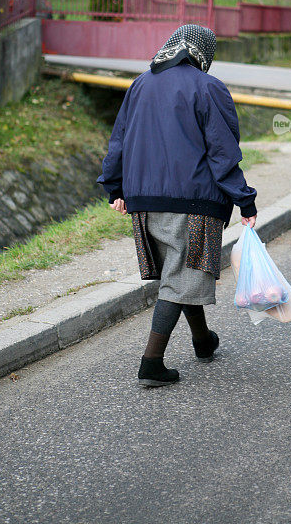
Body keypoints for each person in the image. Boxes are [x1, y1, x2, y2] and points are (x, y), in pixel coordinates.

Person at [97, 24, 257, 387]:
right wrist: (244, 200)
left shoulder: (140, 83)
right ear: (203, 53)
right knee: (183, 275)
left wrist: (115, 187)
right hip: (193, 200)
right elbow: (222, 151)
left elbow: (119, 140)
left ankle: (203, 341)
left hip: (143, 202)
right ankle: (151, 363)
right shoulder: (208, 87)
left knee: (179, 271)